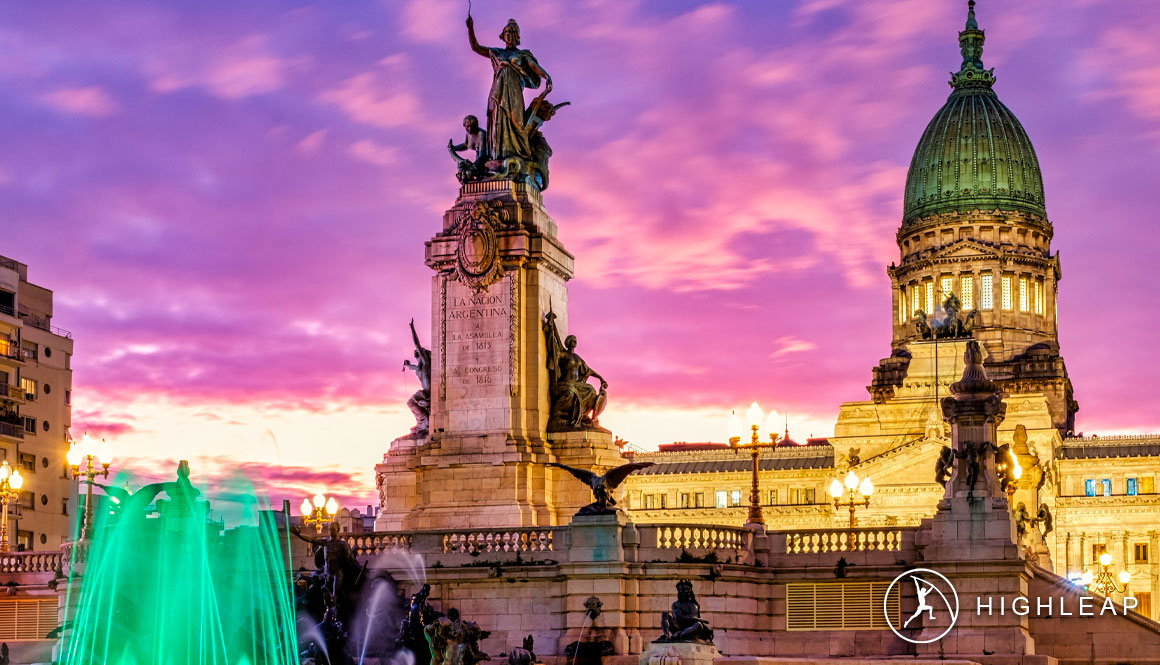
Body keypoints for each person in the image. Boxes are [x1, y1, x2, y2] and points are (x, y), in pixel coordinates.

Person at [466, 16, 551, 163]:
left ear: (517, 36)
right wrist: (470, 29)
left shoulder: (521, 54)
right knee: (498, 121)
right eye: (507, 32)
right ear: (503, 35)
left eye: (513, 32)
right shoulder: (497, 52)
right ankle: (499, 156)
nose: (510, 35)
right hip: (497, 92)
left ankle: (520, 154)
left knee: (516, 121)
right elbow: (476, 47)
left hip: (514, 91)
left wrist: (546, 76)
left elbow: (534, 67)